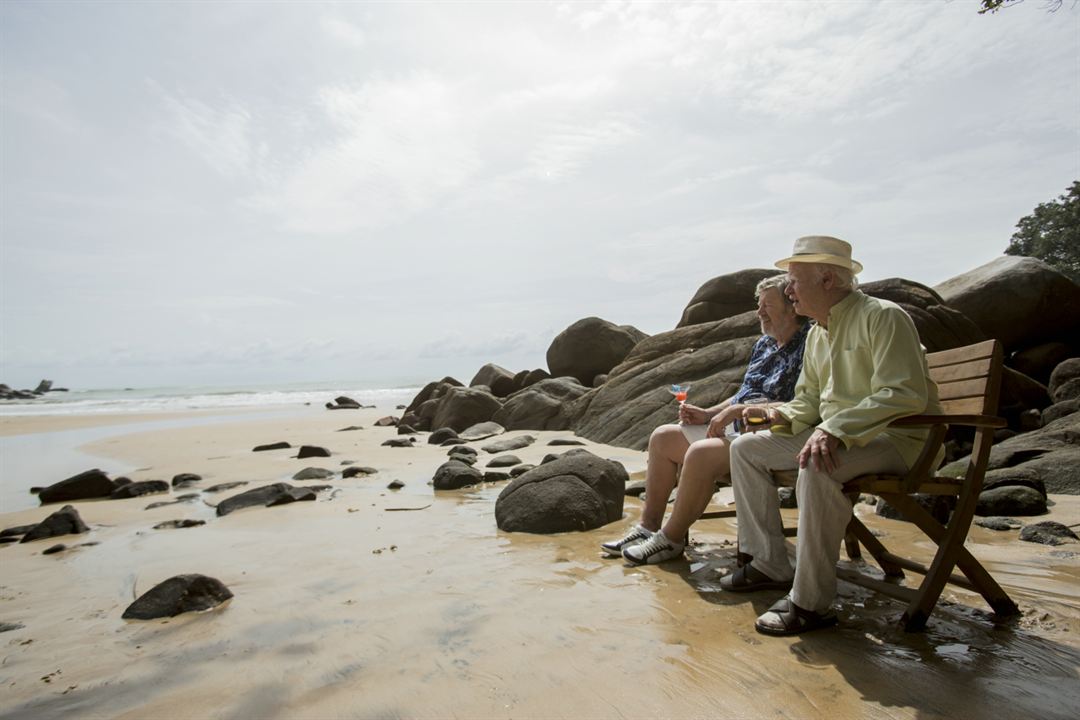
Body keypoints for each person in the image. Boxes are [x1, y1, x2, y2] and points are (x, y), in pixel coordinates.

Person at [722, 235, 941, 637]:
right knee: (747, 448)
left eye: (793, 281)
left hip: (900, 440)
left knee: (818, 465)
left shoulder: (883, 316)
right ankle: (769, 562)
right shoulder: (818, 334)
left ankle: (810, 603)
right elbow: (807, 403)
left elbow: (903, 392)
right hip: (840, 438)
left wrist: (833, 429)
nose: (788, 290)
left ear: (827, 281)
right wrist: (767, 413)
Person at [602, 274, 811, 565]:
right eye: (759, 305)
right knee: (663, 437)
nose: (759, 312)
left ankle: (669, 540)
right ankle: (646, 528)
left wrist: (740, 413)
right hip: (734, 427)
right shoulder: (764, 345)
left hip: (768, 433)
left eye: (768, 305)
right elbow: (743, 394)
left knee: (699, 453)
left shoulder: (811, 342)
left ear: (792, 307)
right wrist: (709, 413)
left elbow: (806, 402)